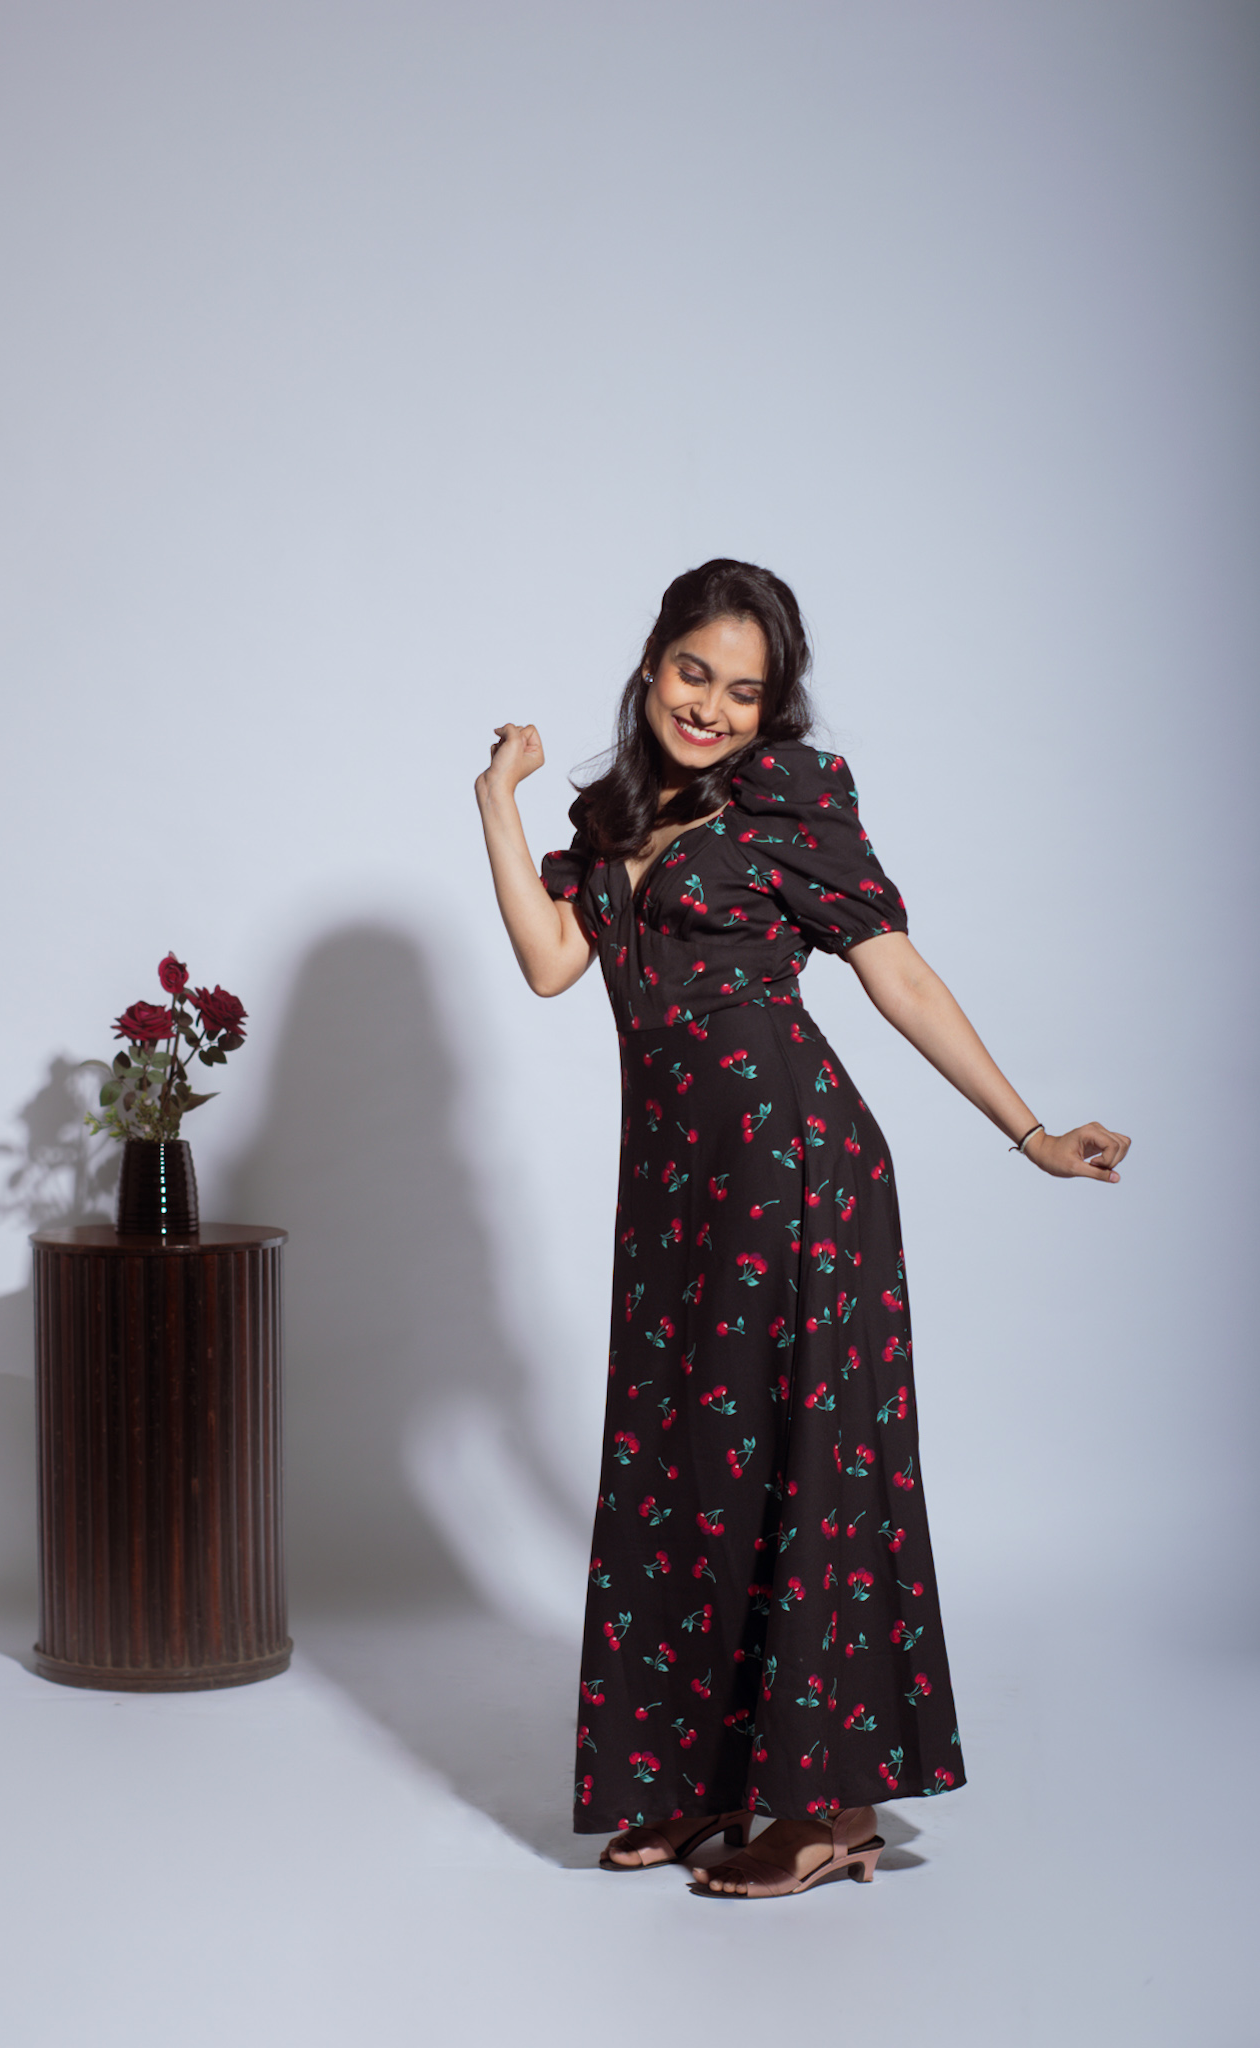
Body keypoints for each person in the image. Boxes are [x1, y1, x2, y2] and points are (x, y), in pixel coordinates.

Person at [474, 558, 1129, 1901]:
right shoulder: (612, 820)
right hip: (674, 1187)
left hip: (794, 1171)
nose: (709, 706)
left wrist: (1030, 1133)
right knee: (682, 1465)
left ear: (772, 710)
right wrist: (498, 801)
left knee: (801, 1465)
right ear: (651, 664)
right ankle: (701, 1780)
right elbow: (551, 964)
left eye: (743, 691)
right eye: (692, 672)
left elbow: (899, 976)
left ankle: (829, 1812)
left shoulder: (785, 805)